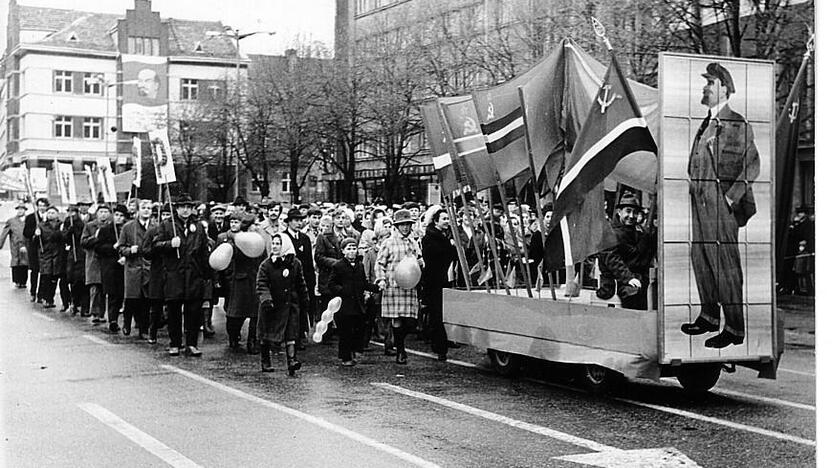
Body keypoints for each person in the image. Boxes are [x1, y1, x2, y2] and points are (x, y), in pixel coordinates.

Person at [681, 62, 760, 349]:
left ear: (724, 88)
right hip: (700, 198)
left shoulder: (735, 122)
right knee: (701, 256)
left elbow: (752, 164)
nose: (705, 87)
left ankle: (735, 328)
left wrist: (730, 197)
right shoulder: (706, 122)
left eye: (710, 83)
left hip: (721, 201)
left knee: (725, 263)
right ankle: (709, 316)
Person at [152, 194, 211, 356]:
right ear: (176, 208)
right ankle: (175, 343)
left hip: (193, 275)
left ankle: (191, 343)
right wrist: (170, 244)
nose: (185, 210)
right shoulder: (166, 225)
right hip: (174, 275)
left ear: (192, 209)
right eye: (182, 207)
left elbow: (204, 250)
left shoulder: (198, 226)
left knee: (194, 312)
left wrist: (207, 274)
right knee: (174, 312)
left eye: (188, 207)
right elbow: (154, 246)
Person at [375, 209, 424, 365]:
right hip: (394, 285)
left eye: (408, 225)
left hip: (410, 286)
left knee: (410, 320)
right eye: (402, 225)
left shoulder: (413, 242)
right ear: (396, 226)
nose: (405, 228)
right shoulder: (388, 243)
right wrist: (381, 279)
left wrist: (421, 263)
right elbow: (380, 263)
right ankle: (401, 351)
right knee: (397, 319)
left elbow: (420, 259)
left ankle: (400, 342)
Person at [256, 234, 309, 375]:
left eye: (278, 243)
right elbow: (261, 284)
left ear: (285, 245)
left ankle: (292, 360)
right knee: (267, 334)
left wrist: (305, 300)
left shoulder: (295, 263)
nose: (274, 246)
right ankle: (265, 361)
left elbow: (301, 283)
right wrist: (266, 299)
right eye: (273, 243)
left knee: (291, 333)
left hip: (289, 304)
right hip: (271, 305)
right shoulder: (266, 265)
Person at [596, 193, 656, 310]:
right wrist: (629, 278)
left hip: (636, 279)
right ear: (619, 212)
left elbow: (643, 256)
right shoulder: (609, 233)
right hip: (616, 281)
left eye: (635, 212)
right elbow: (613, 261)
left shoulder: (639, 233)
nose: (631, 216)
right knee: (634, 295)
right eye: (628, 211)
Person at [327, 237, 379, 366]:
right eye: (348, 249)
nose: (352, 251)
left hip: (357, 304)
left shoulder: (359, 266)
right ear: (343, 251)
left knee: (357, 329)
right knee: (345, 331)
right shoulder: (338, 266)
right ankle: (346, 356)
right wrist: (342, 290)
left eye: (354, 248)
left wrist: (375, 287)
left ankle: (354, 351)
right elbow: (332, 284)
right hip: (344, 305)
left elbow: (363, 283)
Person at [218, 211, 264, 353]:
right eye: (254, 225)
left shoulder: (258, 240)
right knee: (235, 314)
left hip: (255, 280)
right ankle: (233, 336)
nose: (257, 227)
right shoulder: (236, 241)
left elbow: (263, 259)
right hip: (240, 282)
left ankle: (253, 341)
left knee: (255, 313)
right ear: (248, 227)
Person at [421, 208, 456, 361]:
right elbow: (434, 257)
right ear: (436, 221)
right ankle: (440, 346)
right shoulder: (429, 238)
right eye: (444, 219)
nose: (447, 221)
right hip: (434, 280)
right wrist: (450, 246)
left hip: (445, 278)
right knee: (437, 314)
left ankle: (441, 343)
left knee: (444, 312)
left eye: (448, 219)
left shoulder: (445, 236)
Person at [119, 200, 154, 340]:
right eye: (143, 208)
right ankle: (127, 322)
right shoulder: (128, 227)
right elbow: (120, 247)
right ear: (138, 210)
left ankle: (143, 328)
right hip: (133, 267)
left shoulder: (155, 227)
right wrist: (129, 250)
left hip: (149, 267)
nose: (146, 210)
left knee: (146, 300)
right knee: (131, 298)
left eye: (149, 208)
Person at [284, 208, 315, 348]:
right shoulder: (283, 237)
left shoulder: (305, 238)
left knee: (303, 306)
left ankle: (301, 334)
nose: (299, 223)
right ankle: (290, 336)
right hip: (288, 279)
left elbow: (308, 262)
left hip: (303, 279)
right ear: (289, 222)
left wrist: (311, 282)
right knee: (290, 308)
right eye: (296, 220)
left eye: (301, 220)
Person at [96, 205, 127, 333]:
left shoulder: (127, 229)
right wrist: (112, 247)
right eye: (117, 215)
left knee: (122, 294)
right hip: (110, 266)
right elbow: (98, 248)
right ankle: (112, 320)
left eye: (121, 216)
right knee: (113, 294)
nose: (119, 218)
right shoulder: (105, 230)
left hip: (125, 264)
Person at [141, 204, 170, 344]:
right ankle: (152, 332)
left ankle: (174, 336)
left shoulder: (176, 231)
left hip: (173, 272)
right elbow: (145, 252)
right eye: (163, 215)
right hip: (158, 272)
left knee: (173, 305)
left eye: (168, 215)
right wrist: (155, 247)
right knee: (156, 305)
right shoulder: (153, 231)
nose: (166, 218)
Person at [81, 204, 110, 324]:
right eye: (101, 211)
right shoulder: (90, 226)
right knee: (95, 287)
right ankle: (95, 313)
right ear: (97, 213)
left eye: (106, 212)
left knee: (104, 288)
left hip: (106, 260)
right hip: (93, 260)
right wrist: (95, 238)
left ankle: (102, 313)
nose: (103, 214)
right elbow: (83, 242)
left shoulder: (111, 226)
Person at [35, 206, 64, 309]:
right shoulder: (41, 226)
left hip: (58, 254)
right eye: (49, 213)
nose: (50, 214)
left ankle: (50, 298)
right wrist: (36, 235)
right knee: (46, 276)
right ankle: (46, 298)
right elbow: (36, 242)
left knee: (54, 278)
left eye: (53, 213)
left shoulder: (61, 225)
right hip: (46, 254)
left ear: (57, 214)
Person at [63, 204, 88, 316]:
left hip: (86, 252)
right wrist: (69, 231)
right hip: (75, 252)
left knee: (85, 280)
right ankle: (74, 302)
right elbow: (64, 237)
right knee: (74, 279)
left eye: (87, 205)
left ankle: (85, 306)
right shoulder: (69, 221)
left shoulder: (91, 218)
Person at [23, 197, 49, 302]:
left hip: (46, 247)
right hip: (34, 248)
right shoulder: (31, 217)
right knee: (35, 270)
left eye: (44, 205)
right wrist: (34, 231)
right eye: (40, 205)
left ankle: (41, 294)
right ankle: (33, 292)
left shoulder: (49, 217)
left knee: (44, 271)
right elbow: (26, 232)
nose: (42, 208)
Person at [0, 202, 29, 288]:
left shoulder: (28, 220)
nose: (20, 211)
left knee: (25, 263)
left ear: (25, 210)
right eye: (18, 209)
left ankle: (23, 281)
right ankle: (17, 281)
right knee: (16, 262)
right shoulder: (11, 221)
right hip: (15, 245)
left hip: (26, 245)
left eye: (22, 209)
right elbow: (4, 234)